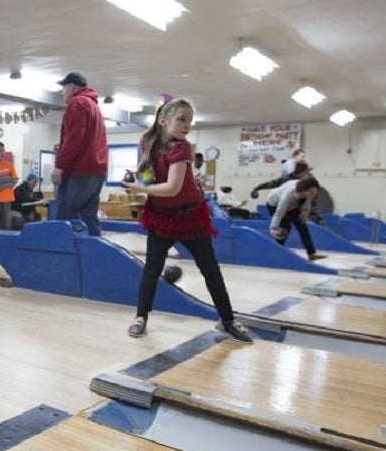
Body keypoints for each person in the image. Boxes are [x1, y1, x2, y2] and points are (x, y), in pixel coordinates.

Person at [120, 98, 253, 344]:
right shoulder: (146, 141)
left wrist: (140, 188)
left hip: (190, 216)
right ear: (163, 119)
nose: (187, 126)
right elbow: (150, 175)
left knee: (210, 270)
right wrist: (138, 181)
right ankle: (140, 318)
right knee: (151, 269)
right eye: (182, 119)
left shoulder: (182, 148)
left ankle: (228, 321)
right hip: (161, 216)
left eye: (189, 121)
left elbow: (172, 188)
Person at [51, 72, 107, 235]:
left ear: (72, 86)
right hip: (96, 172)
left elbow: (74, 140)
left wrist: (59, 167)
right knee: (90, 218)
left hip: (79, 172)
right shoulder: (95, 107)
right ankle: (95, 256)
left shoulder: (78, 103)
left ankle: (61, 258)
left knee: (63, 218)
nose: (62, 93)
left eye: (63, 88)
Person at [267, 175, 327, 261]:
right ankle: (276, 252)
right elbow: (279, 212)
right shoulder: (289, 194)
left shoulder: (307, 193)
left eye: (315, 192)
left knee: (302, 225)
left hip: (292, 205)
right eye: (311, 192)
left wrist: (304, 213)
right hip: (275, 204)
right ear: (305, 189)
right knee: (285, 227)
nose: (313, 194)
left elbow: (307, 201)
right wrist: (273, 228)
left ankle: (311, 254)